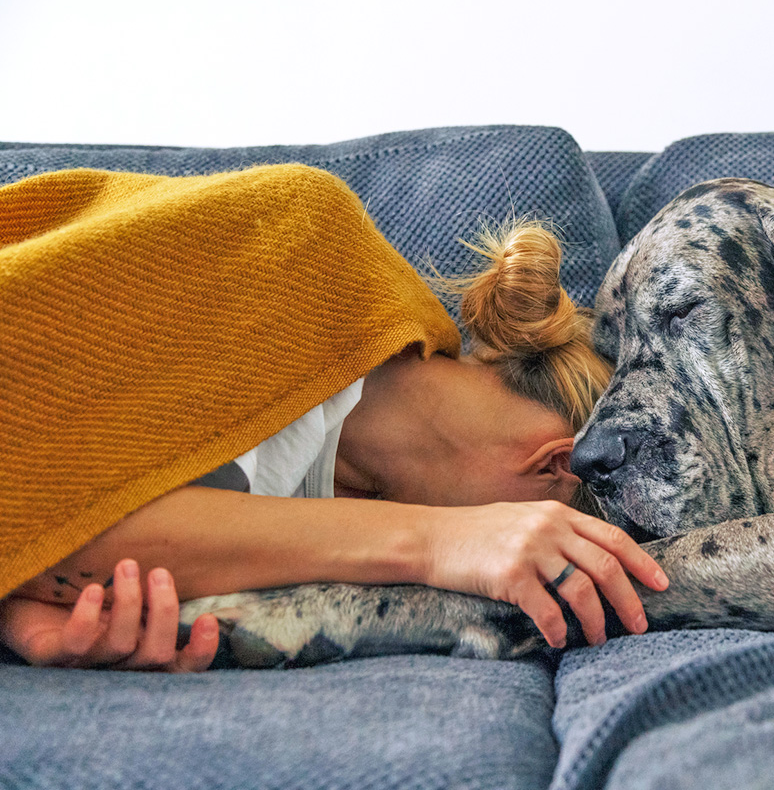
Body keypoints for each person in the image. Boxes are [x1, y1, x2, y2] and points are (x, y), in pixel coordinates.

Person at [0, 168, 666, 671]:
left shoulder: (324, 529)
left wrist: (25, 620)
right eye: (555, 532)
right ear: (551, 460)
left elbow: (58, 526)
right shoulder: (308, 234)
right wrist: (440, 542)